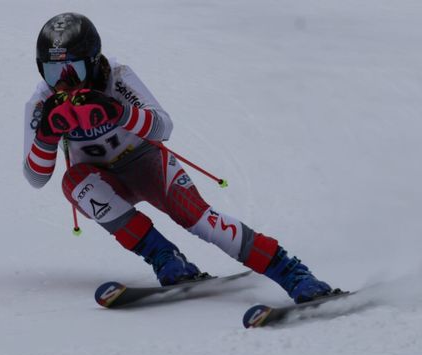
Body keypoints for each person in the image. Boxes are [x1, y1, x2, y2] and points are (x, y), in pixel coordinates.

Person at [23, 12, 334, 303]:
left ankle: (292, 273)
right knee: (74, 182)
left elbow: (162, 125)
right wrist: (46, 136)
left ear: (92, 63)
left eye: (73, 71)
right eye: (53, 72)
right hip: (100, 180)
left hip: (145, 163)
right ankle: (166, 259)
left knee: (199, 219)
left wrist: (118, 111)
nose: (63, 83)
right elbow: (35, 178)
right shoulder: (42, 102)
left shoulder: (116, 78)